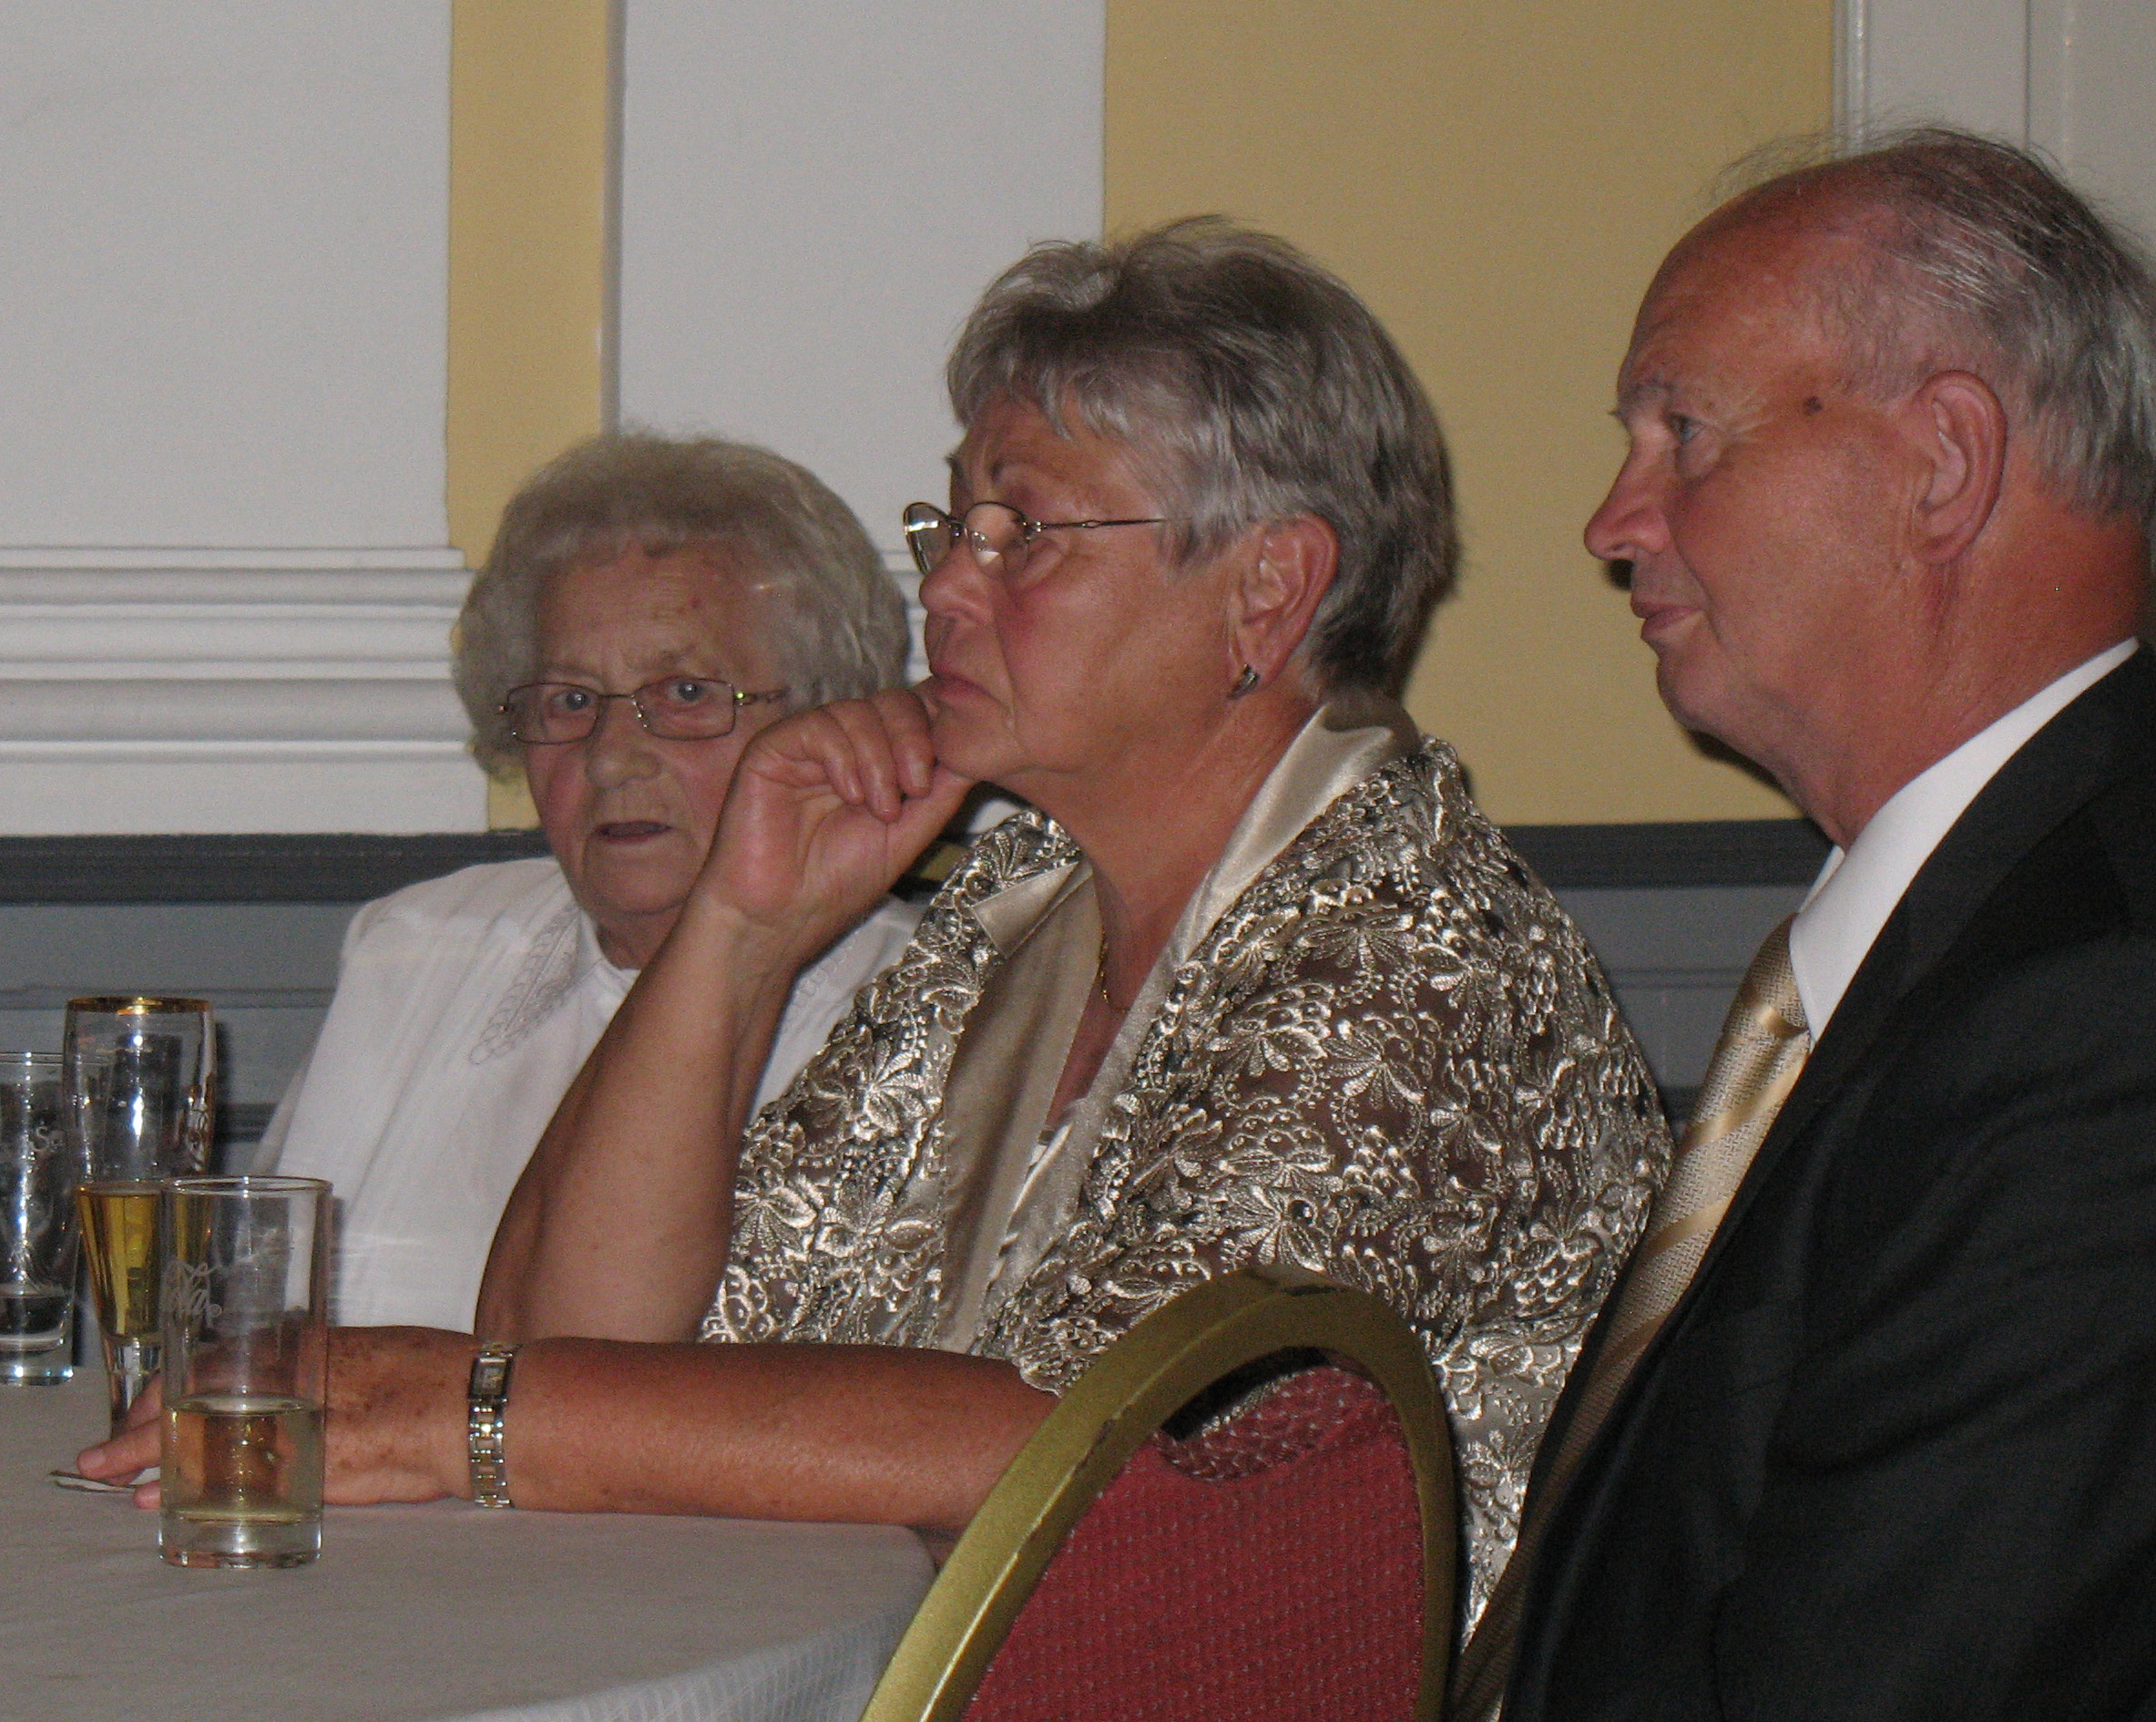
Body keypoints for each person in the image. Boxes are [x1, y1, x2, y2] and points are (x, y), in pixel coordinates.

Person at [90, 220, 1667, 1625]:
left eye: (1021, 535)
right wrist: (739, 929)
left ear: (1265, 592)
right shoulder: (1020, 903)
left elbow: (1094, 1442)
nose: (947, 592)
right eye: (949, 528)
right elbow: (577, 1332)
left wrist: (471, 1414)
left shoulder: (1408, 951)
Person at [1455, 130, 2156, 1720]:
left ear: (1939, 466)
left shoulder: (2095, 1020)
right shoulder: (1971, 946)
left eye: (1682, 433)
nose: (1612, 523)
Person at [254, 435, 922, 1330]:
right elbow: (254, 1329)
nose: (611, 759)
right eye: (569, 701)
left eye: (685, 693)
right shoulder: (417, 952)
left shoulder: (919, 1011)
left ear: (826, 717)